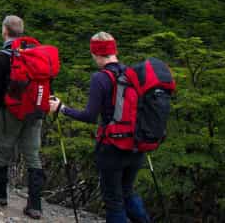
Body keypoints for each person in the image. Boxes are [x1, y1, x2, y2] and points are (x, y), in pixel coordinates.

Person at [49, 32, 151, 223]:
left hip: (112, 147)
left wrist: (62, 109)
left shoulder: (100, 78)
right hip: (137, 145)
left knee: (113, 200)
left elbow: (89, 116)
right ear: (114, 50)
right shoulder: (133, 74)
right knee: (127, 192)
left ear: (95, 53)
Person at [0, 15, 46, 219]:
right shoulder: (36, 54)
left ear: (5, 31)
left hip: (11, 112)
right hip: (35, 112)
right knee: (33, 155)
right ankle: (35, 205)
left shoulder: (3, 55)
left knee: (2, 150)